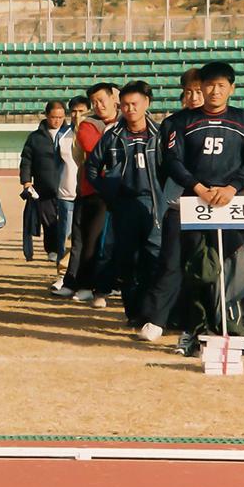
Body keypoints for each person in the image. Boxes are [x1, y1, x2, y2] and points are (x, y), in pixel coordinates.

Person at [161, 61, 244, 353]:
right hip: (194, 203)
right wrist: (199, 188)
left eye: (221, 86)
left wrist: (231, 188)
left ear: (232, 88)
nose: (214, 92)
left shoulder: (243, 120)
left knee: (234, 267)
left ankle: (237, 331)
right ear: (199, 87)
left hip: (232, 203)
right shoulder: (180, 122)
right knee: (196, 269)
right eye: (209, 85)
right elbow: (173, 162)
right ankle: (193, 331)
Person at [85, 81, 161, 321]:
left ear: (146, 103)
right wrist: (110, 191)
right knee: (128, 258)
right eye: (125, 105)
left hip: (154, 204)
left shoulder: (161, 134)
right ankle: (133, 313)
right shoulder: (113, 136)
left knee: (154, 257)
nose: (129, 109)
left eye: (134, 104)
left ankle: (152, 312)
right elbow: (92, 167)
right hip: (125, 204)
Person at [136, 68, 203, 340]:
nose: (194, 97)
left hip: (215, 206)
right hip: (178, 202)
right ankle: (157, 318)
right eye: (189, 92)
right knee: (170, 261)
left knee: (203, 266)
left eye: (199, 91)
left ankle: (197, 318)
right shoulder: (172, 123)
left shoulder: (227, 121)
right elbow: (166, 164)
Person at [60, 82, 119, 301]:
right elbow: (99, 153)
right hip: (93, 191)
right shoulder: (88, 125)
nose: (98, 105)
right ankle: (84, 284)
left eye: (101, 100)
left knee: (113, 242)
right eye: (93, 102)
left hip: (123, 191)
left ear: (114, 98)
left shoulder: (124, 122)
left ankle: (109, 283)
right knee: (88, 240)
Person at [49, 96, 87, 294]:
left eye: (81, 111)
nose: (77, 115)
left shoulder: (93, 132)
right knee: (64, 238)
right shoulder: (61, 135)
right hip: (66, 195)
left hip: (89, 194)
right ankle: (62, 276)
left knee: (85, 239)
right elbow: (57, 164)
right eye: (73, 111)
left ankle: (86, 278)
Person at [19, 100, 65, 263]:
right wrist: (26, 181)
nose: (57, 120)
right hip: (44, 188)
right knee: (49, 222)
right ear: (46, 116)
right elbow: (26, 161)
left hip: (67, 188)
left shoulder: (70, 134)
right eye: (53, 117)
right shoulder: (35, 138)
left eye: (60, 117)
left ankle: (65, 250)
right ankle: (52, 250)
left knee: (67, 221)